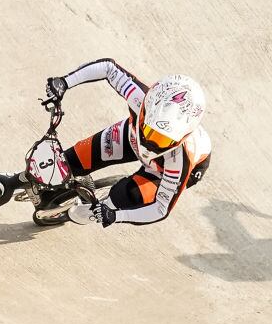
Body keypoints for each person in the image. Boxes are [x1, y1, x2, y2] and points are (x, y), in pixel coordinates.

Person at [44, 59, 211, 227]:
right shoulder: (139, 98)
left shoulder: (182, 158)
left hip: (164, 167)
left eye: (164, 139)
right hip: (133, 135)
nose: (151, 145)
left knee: (123, 197)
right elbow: (108, 68)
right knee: (70, 160)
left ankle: (89, 211)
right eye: (150, 131)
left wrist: (115, 216)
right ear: (146, 109)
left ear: (183, 136)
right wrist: (65, 81)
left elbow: (160, 208)